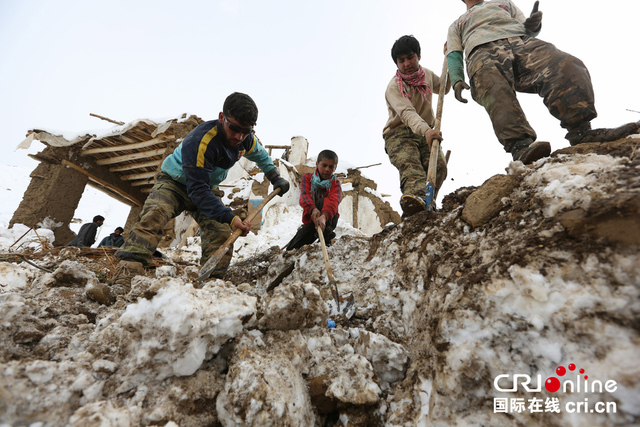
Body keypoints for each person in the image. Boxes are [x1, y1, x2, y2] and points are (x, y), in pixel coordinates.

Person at [112, 92, 290, 288]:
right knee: (155, 214)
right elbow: (197, 191)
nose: (239, 137)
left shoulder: (245, 138)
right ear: (222, 118)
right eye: (234, 128)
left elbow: (261, 155)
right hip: (175, 183)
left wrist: (275, 177)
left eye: (246, 131)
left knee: (221, 233)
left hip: (206, 187)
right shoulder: (200, 141)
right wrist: (230, 217)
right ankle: (127, 272)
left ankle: (211, 283)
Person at [446, 0, 640, 164]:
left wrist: (533, 25)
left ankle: (581, 130)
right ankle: (520, 147)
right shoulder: (456, 24)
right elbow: (453, 53)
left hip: (520, 41)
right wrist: (456, 79)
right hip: (481, 51)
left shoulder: (503, 3)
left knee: (565, 64)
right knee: (494, 90)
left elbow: (527, 27)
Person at [383, 35, 449, 218]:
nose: (406, 64)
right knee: (413, 169)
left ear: (418, 56)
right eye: (401, 60)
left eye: (410, 57)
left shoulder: (426, 74)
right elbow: (407, 114)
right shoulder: (394, 88)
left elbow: (445, 86)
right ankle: (416, 208)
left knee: (439, 168)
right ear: (396, 63)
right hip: (399, 134)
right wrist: (427, 130)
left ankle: (424, 206)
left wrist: (450, 58)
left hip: (425, 132)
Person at [286, 150, 342, 251]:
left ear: (335, 168)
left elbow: (333, 201)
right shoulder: (307, 178)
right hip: (311, 220)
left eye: (331, 167)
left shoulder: (335, 184)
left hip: (328, 220)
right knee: (291, 249)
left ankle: (327, 237)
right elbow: (305, 195)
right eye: (324, 165)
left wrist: (324, 216)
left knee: (323, 202)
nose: (327, 169)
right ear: (317, 164)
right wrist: (313, 209)